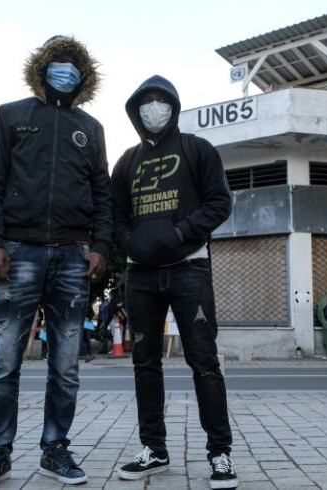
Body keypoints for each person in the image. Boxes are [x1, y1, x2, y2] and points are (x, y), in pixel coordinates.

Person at [0, 35, 111, 490]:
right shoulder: (11, 116)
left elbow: (103, 195)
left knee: (65, 366)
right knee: (5, 364)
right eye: (57, 63)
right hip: (17, 254)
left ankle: (55, 451)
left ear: (83, 76)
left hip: (73, 259)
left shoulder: (91, 127)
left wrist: (101, 247)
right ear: (42, 68)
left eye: (73, 65)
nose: (65, 70)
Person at [111, 75, 237, 489]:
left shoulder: (197, 149)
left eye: (160, 101)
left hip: (190, 269)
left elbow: (220, 202)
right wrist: (132, 243)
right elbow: (114, 217)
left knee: (204, 362)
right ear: (135, 110)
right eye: (144, 102)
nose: (152, 109)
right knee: (144, 362)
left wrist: (182, 233)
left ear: (173, 106)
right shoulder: (126, 162)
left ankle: (219, 454)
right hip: (140, 274)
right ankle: (154, 450)